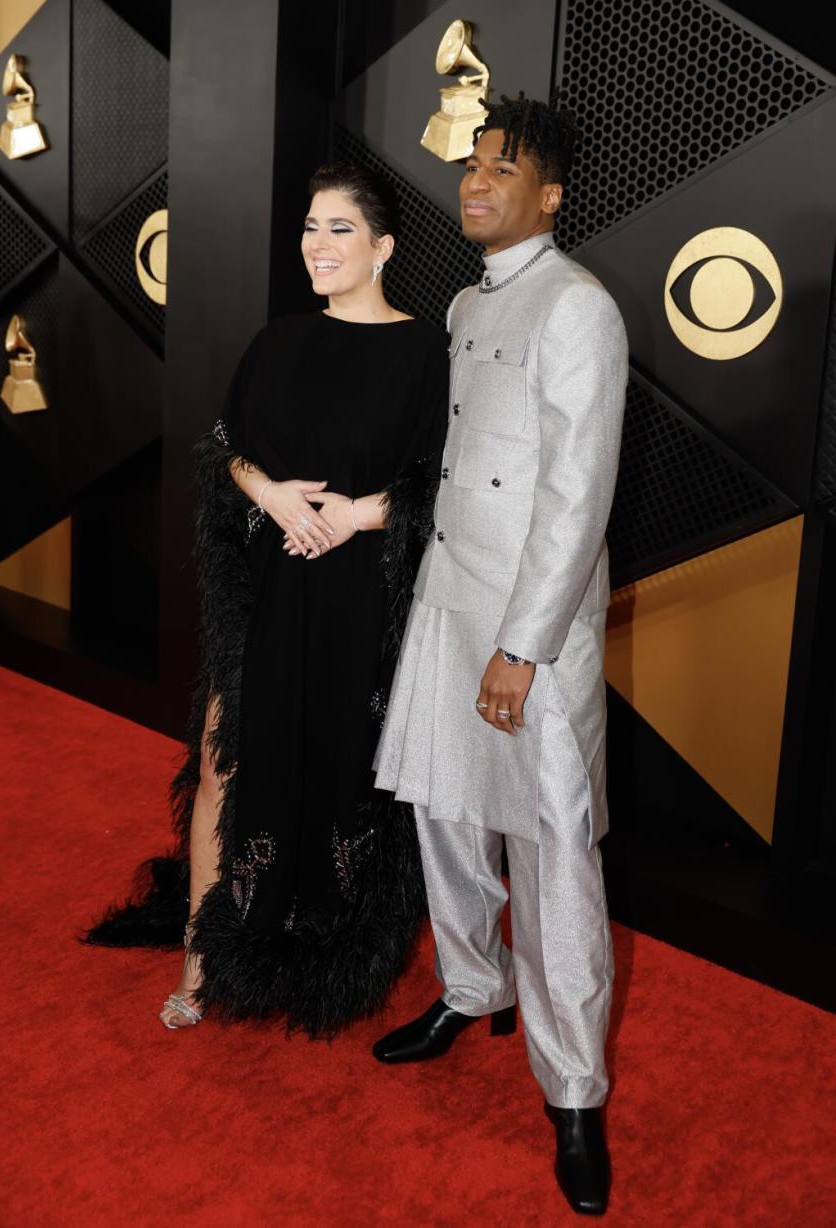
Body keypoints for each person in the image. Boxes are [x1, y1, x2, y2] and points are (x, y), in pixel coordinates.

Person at [86, 162, 448, 1039]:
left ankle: (320, 947)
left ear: (384, 247)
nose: (318, 247)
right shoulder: (278, 341)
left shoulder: (425, 353)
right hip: (270, 592)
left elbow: (448, 489)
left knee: (340, 772)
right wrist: (273, 495)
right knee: (222, 761)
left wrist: (355, 514)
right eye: (310, 229)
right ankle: (201, 955)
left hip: (363, 601)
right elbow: (227, 450)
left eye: (339, 231)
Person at [372, 93, 628, 1217]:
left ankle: (574, 1091)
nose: (474, 182)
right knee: (440, 806)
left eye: (502, 168)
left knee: (554, 852)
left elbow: (576, 498)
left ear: (552, 194)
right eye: (471, 165)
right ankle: (471, 987)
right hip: (450, 596)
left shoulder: (578, 308)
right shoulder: (466, 306)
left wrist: (523, 649)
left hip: (532, 622)